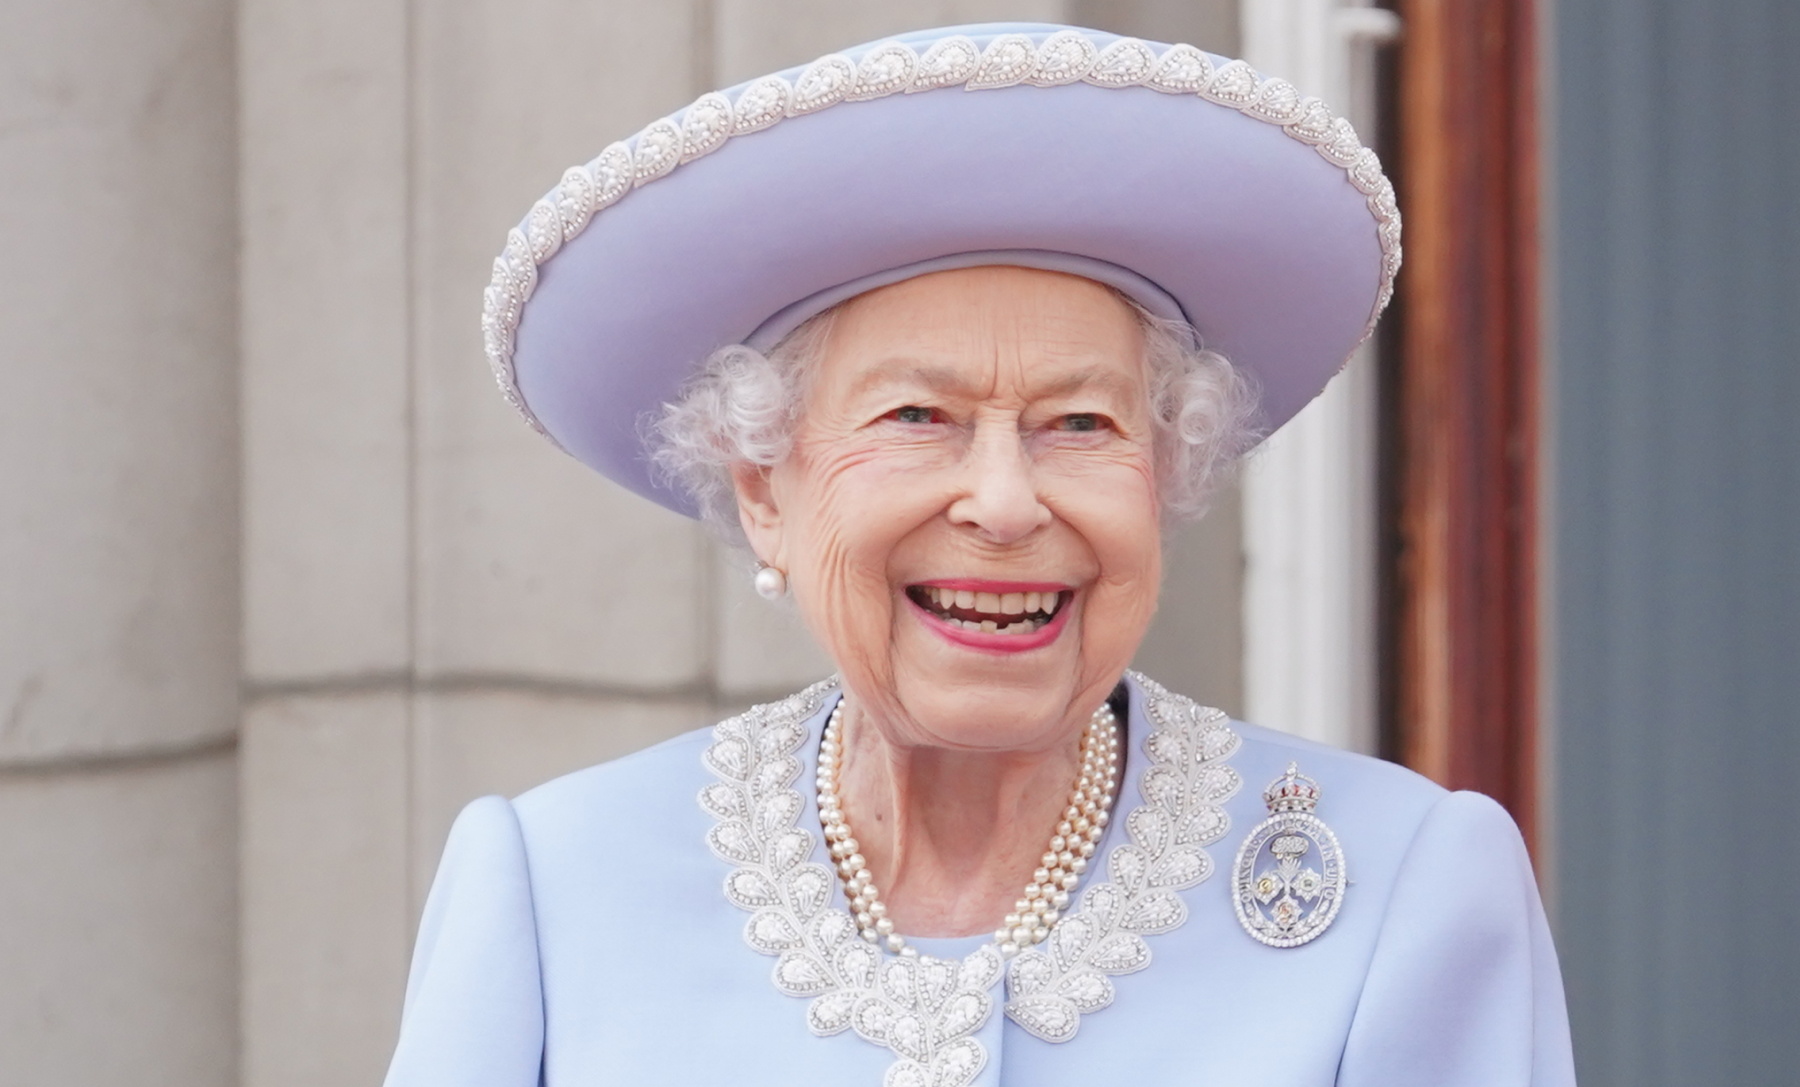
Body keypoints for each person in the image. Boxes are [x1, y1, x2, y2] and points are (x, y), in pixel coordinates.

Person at [389, 22, 1573, 1087]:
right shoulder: (555, 887)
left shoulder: (1399, 889)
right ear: (764, 493)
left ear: (1161, 479)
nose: (1005, 502)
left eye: (1080, 425)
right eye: (917, 418)